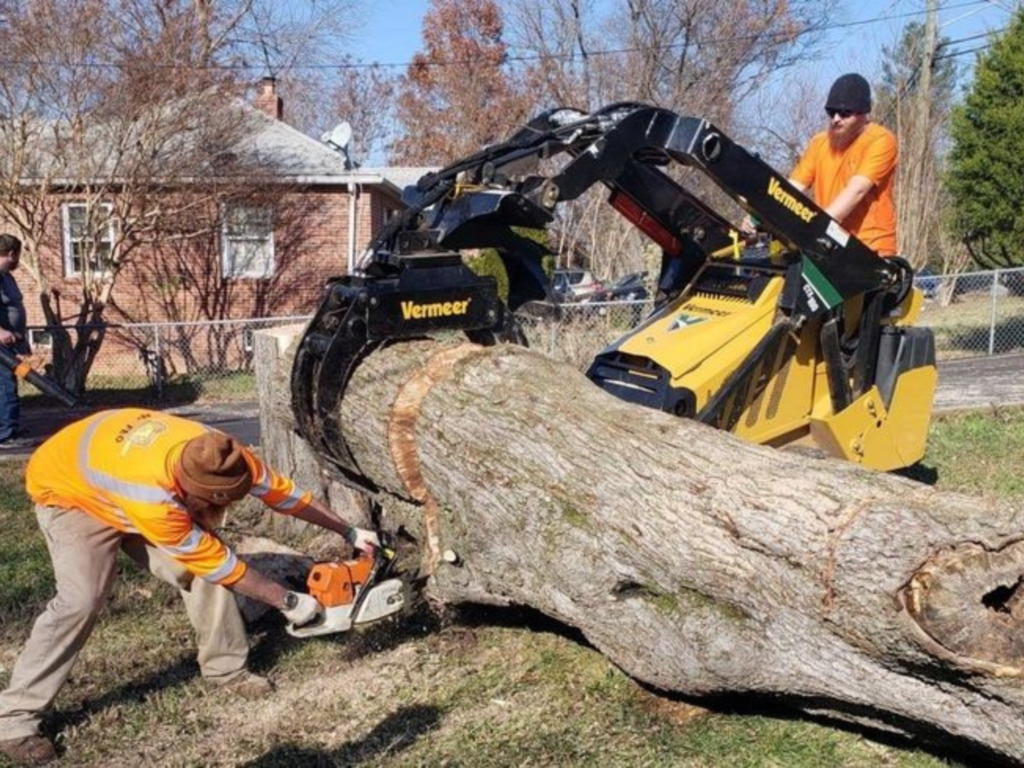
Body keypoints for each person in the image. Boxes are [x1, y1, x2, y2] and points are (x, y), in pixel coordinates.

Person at [0, 408, 380, 765]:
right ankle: (15, 719)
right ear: (192, 494)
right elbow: (218, 564)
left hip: (120, 475)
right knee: (81, 600)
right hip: (71, 495)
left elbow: (285, 494)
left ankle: (226, 669)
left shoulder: (223, 454)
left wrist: (348, 530)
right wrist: (288, 600)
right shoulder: (153, 499)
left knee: (203, 573)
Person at [788, 72, 898, 257]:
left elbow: (857, 190)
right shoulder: (819, 143)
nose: (836, 118)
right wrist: (758, 214)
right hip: (829, 244)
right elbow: (791, 189)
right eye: (831, 112)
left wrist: (817, 227)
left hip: (870, 249)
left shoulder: (881, 140)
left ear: (864, 113)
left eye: (845, 113)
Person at [0, 234, 30, 446]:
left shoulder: (6, 277)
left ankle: (10, 426)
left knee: (9, 383)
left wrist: (19, 339)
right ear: (11, 254)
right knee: (5, 386)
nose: (18, 260)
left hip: (11, 344)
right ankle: (6, 434)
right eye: (18, 255)